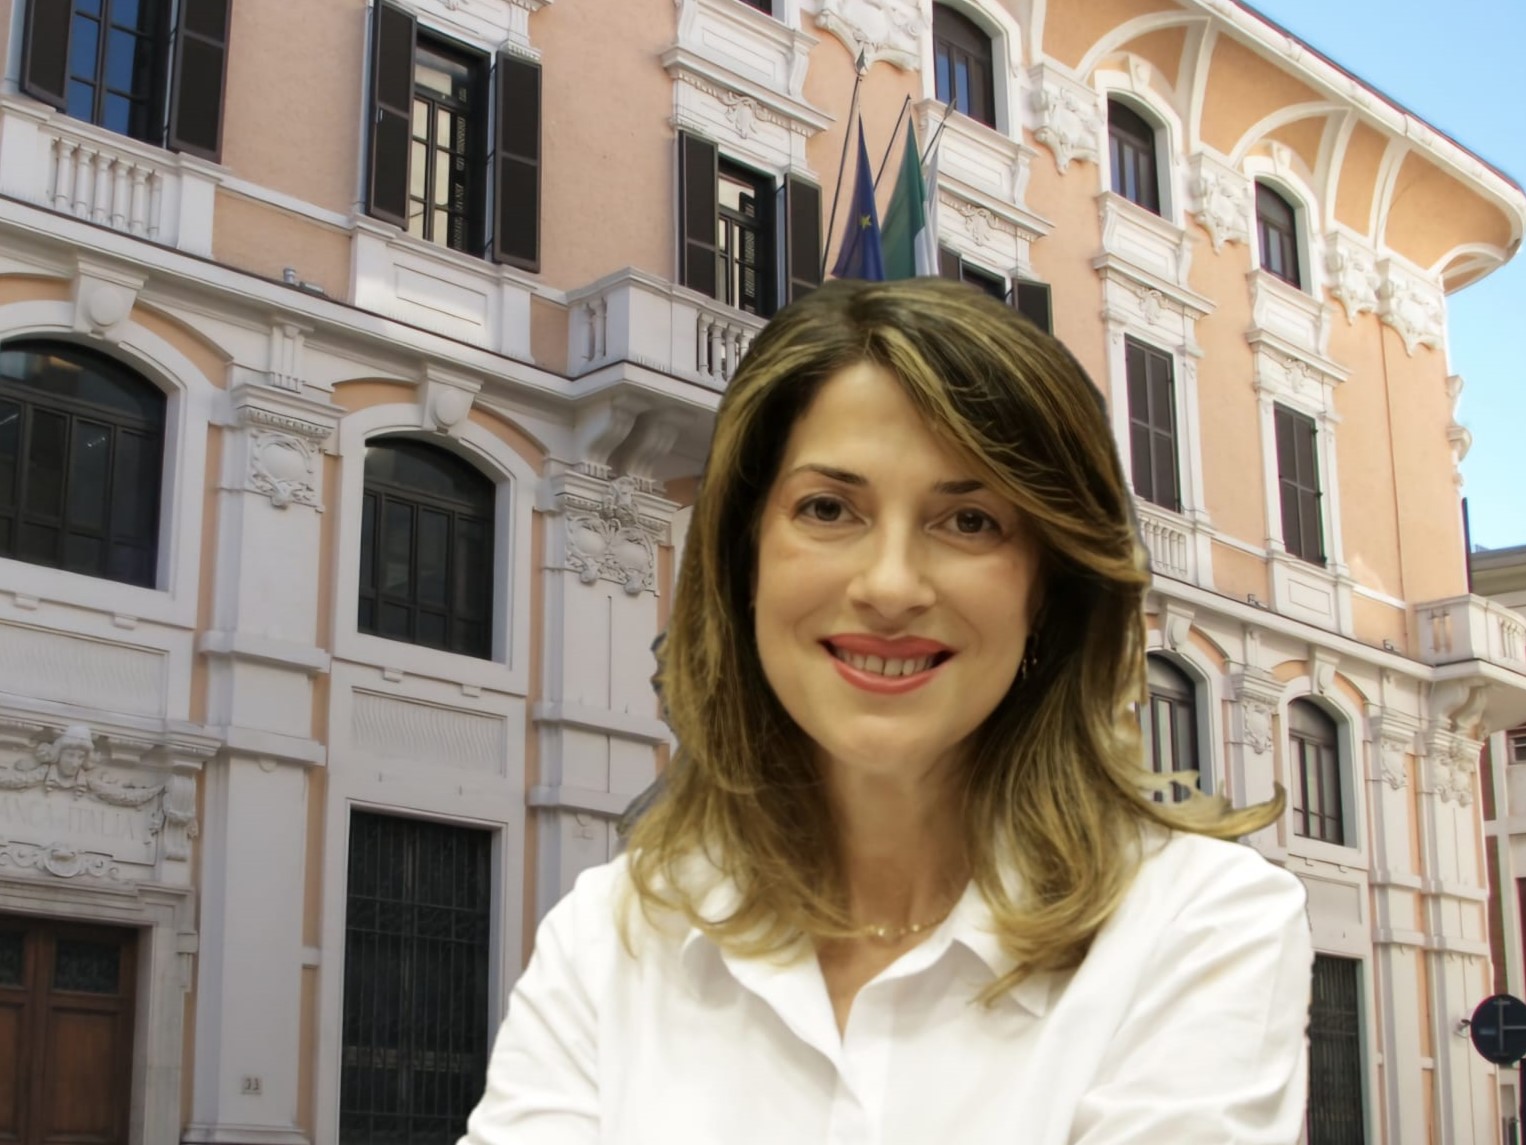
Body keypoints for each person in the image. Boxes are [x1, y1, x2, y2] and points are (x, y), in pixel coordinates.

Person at [460, 278, 1312, 1143]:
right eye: (829, 509)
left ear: (1050, 584)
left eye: (969, 520)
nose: (892, 586)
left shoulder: (1202, 924)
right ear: (746, 558)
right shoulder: (606, 936)